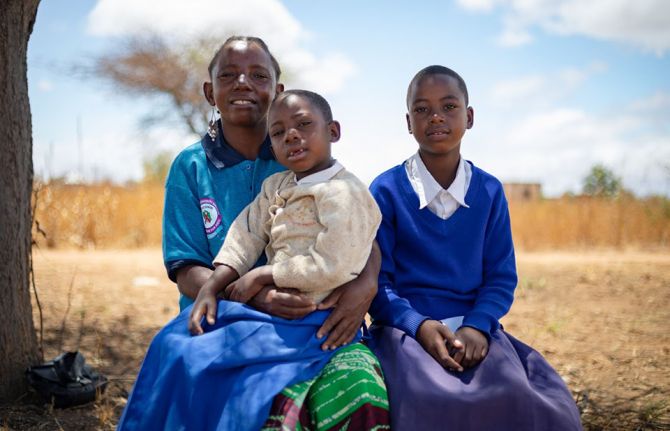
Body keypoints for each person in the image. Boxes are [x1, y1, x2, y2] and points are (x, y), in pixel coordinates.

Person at [120, 36, 390, 430]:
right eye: (229, 75)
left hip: (317, 315)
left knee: (353, 391)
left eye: (258, 75)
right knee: (178, 356)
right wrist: (250, 293)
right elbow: (187, 265)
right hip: (227, 315)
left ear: (277, 91)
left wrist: (365, 285)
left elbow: (361, 235)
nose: (243, 82)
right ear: (210, 92)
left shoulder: (303, 161)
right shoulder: (191, 167)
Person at [367, 65, 583, 430]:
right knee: (427, 396)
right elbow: (377, 283)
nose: (436, 116)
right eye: (422, 109)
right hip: (406, 331)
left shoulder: (489, 191)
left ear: (469, 116)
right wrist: (418, 325)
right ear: (408, 122)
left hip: (474, 328)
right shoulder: (385, 190)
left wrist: (478, 327)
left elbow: (500, 278)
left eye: (449, 106)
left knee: (515, 394)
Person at [188, 90, 382, 329]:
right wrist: (211, 287)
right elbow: (245, 236)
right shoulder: (276, 186)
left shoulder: (346, 192)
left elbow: (335, 264)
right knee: (176, 342)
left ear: (333, 131)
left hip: (320, 318)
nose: (290, 135)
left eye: (304, 124)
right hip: (270, 311)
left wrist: (264, 275)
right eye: (278, 132)